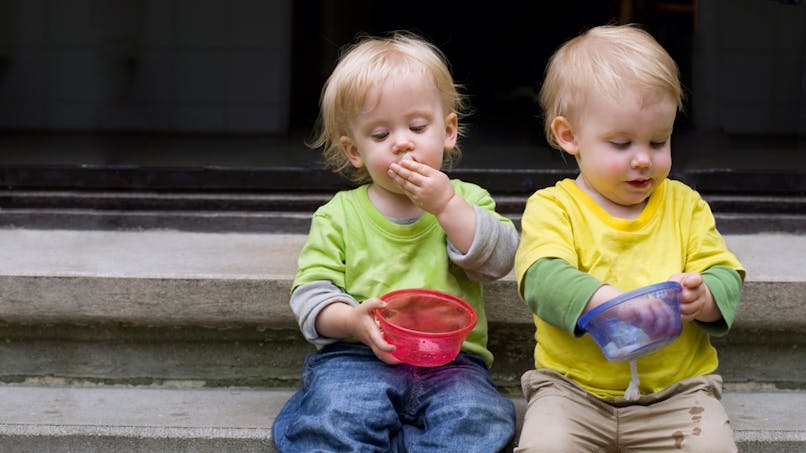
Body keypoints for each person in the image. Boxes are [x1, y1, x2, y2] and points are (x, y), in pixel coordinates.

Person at [272, 31, 518, 452]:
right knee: (335, 413)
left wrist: (446, 207)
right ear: (355, 151)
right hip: (358, 357)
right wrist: (352, 322)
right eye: (381, 135)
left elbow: (498, 260)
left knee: (478, 419)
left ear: (449, 131)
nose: (402, 142)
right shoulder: (339, 215)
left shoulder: (467, 201)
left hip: (453, 364)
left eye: (417, 126)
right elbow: (311, 294)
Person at [514, 24, 745, 452]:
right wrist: (608, 302)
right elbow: (541, 277)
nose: (644, 159)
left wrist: (704, 295)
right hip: (571, 392)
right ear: (569, 136)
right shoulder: (554, 206)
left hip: (679, 395)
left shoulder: (684, 204)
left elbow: (724, 271)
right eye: (621, 143)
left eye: (659, 141)